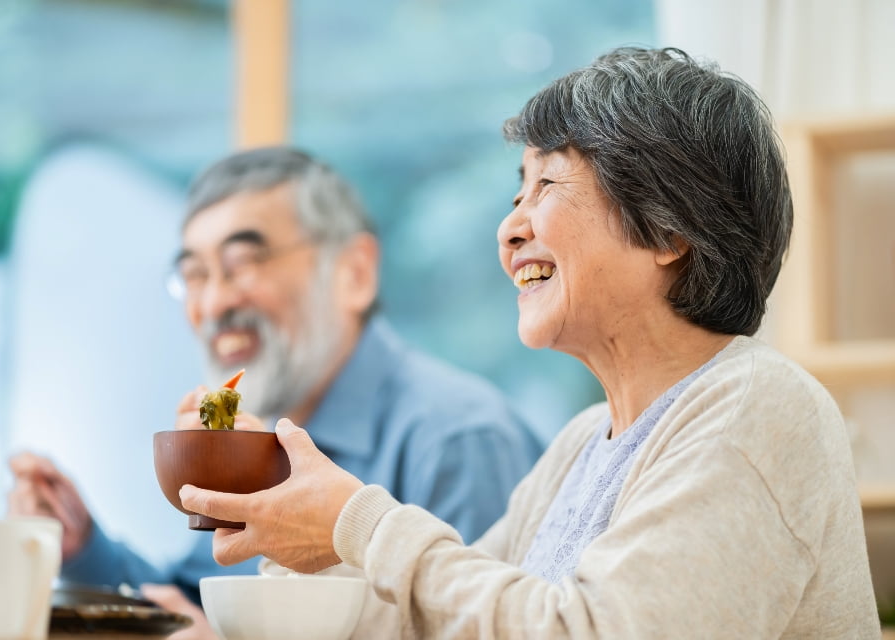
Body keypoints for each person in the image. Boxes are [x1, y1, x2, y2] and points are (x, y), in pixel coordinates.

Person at [178, 47, 881, 638]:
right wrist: (283, 503)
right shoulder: (582, 444)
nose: (509, 229)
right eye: (516, 194)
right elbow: (430, 623)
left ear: (671, 229)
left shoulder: (756, 407)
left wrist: (357, 521)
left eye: (548, 183)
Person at [7, 147, 543, 629]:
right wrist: (84, 548)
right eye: (195, 275)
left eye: (242, 264)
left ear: (354, 273)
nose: (213, 304)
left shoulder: (459, 439)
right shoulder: (259, 438)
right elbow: (198, 603)